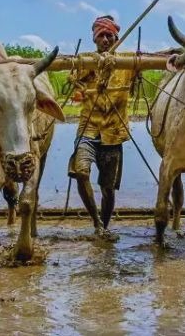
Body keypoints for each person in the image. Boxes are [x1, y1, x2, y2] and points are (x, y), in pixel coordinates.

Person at [67, 15, 135, 238]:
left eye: (109, 35)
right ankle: (96, 222)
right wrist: (85, 69)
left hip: (113, 132)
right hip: (88, 128)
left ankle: (104, 227)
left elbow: (156, 57)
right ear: (95, 39)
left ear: (116, 37)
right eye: (101, 36)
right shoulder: (85, 60)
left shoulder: (129, 62)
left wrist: (174, 53)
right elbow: (72, 77)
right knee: (81, 172)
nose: (105, 39)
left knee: (108, 188)